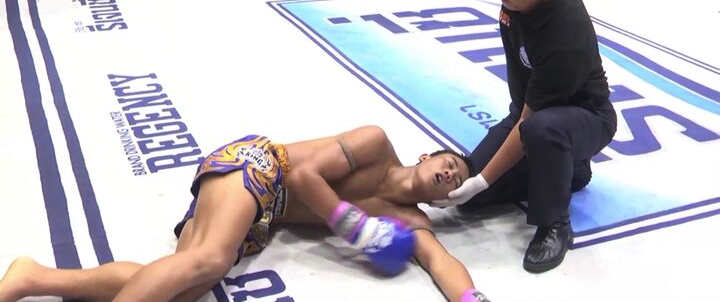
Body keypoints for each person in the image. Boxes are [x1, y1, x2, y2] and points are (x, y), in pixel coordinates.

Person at [0, 126, 491, 302]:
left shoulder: (410, 221)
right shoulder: (375, 144)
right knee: (211, 260)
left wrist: (473, 299)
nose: (449, 174)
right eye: (449, 163)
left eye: (455, 179)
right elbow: (303, 176)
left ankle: (33, 278)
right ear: (426, 156)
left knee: (181, 287)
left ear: (446, 197)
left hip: (262, 215)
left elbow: (441, 262)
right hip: (258, 164)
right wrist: (354, 226)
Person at [433, 0, 617, 274]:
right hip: (528, 110)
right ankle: (570, 171)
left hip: (585, 117)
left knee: (538, 133)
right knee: (469, 198)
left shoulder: (565, 34)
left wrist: (484, 179)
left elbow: (528, 121)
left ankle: (554, 222)